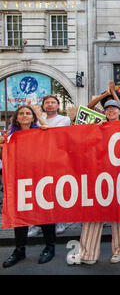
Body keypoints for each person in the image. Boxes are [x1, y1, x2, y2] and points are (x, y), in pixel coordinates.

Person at [66, 99, 120, 266]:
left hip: (119, 175)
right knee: (92, 213)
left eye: (114, 108)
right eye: (107, 108)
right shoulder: (96, 126)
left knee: (118, 215)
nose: (111, 111)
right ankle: (88, 254)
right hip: (97, 175)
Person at [2, 106, 56, 268]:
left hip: (41, 179)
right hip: (19, 180)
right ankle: (19, 250)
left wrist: (41, 119)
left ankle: (49, 247)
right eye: (21, 113)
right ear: (16, 118)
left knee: (45, 213)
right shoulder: (10, 137)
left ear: (33, 118)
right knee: (20, 215)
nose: (24, 116)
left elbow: (55, 139)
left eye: (28, 113)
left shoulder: (42, 132)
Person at [27, 95, 72, 238]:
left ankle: (58, 221)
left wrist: (39, 116)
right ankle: (36, 223)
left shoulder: (64, 120)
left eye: (53, 102)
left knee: (55, 191)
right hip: (38, 160)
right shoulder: (34, 120)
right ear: (43, 105)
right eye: (47, 103)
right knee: (38, 192)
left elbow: (54, 134)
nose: (50, 105)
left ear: (58, 106)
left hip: (56, 160)